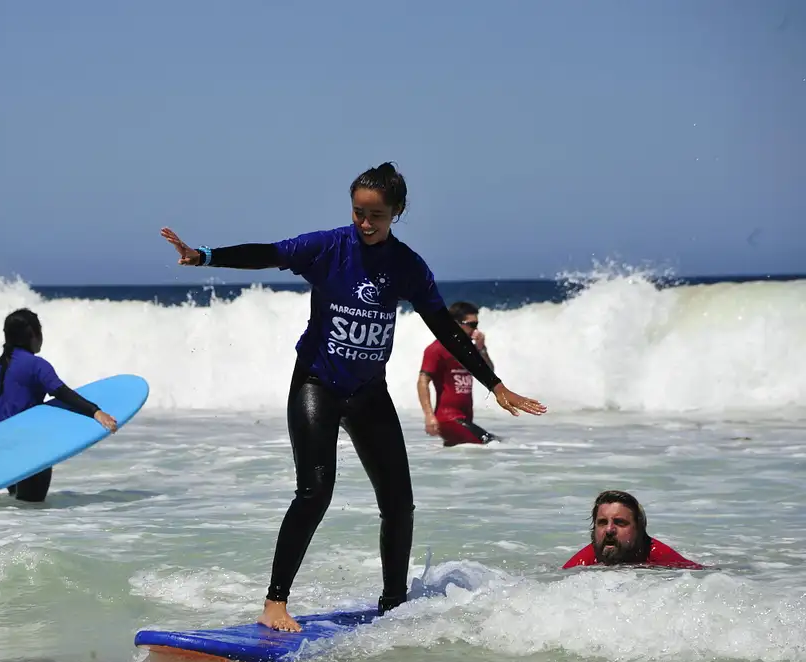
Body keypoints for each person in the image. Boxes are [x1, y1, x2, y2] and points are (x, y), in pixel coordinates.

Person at [160, 161, 547, 633]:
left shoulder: (406, 266)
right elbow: (269, 253)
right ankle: (274, 603)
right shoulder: (327, 247)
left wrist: (494, 384)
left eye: (377, 215)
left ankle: (393, 604)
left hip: (368, 394)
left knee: (399, 504)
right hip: (316, 385)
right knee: (315, 491)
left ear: (397, 212)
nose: (365, 223)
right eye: (359, 213)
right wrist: (204, 255)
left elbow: (445, 328)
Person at [0, 308, 118, 503]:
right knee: (33, 510)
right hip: (32, 448)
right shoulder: (36, 365)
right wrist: (95, 411)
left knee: (14, 509)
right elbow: (62, 393)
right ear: (34, 335)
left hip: (4, 450)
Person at [417, 301, 498, 446]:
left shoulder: (470, 350)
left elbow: (490, 373)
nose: (476, 330)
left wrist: (482, 349)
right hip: (449, 419)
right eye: (472, 325)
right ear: (455, 323)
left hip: (465, 418)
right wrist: (429, 416)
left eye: (477, 324)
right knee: (492, 444)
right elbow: (422, 382)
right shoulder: (436, 349)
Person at [562, 490, 705, 569]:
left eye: (620, 522)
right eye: (602, 522)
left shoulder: (658, 555)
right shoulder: (584, 561)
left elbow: (703, 575)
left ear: (639, 529)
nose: (609, 529)